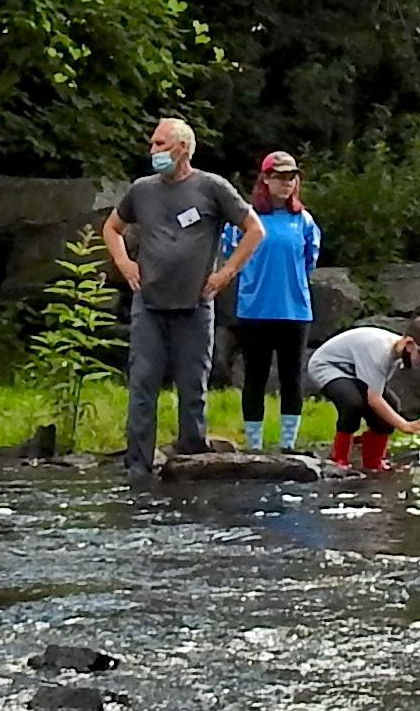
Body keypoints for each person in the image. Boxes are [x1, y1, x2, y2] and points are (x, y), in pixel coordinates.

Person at [104, 118, 259, 468]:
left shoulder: (212, 187)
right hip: (149, 302)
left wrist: (226, 273)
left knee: (193, 387)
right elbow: (112, 227)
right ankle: (138, 466)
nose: (152, 151)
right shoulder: (141, 190)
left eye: (159, 144)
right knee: (142, 385)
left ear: (182, 148)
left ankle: (191, 460)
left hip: (195, 304)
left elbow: (254, 229)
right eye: (152, 145)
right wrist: (124, 263)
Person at [229, 151, 324, 451]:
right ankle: (254, 446)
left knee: (291, 378)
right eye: (280, 177)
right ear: (265, 179)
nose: (287, 183)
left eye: (291, 177)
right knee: (254, 378)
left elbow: (310, 260)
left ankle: (288, 444)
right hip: (255, 309)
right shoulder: (246, 218)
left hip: (294, 310)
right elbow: (232, 253)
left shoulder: (304, 221)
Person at [307, 314, 420, 470]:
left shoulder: (397, 353)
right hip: (328, 366)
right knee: (352, 403)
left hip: (354, 371)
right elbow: (374, 399)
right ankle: (339, 459)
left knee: (391, 406)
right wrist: (403, 425)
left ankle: (374, 461)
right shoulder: (379, 352)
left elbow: (377, 395)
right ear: (409, 343)